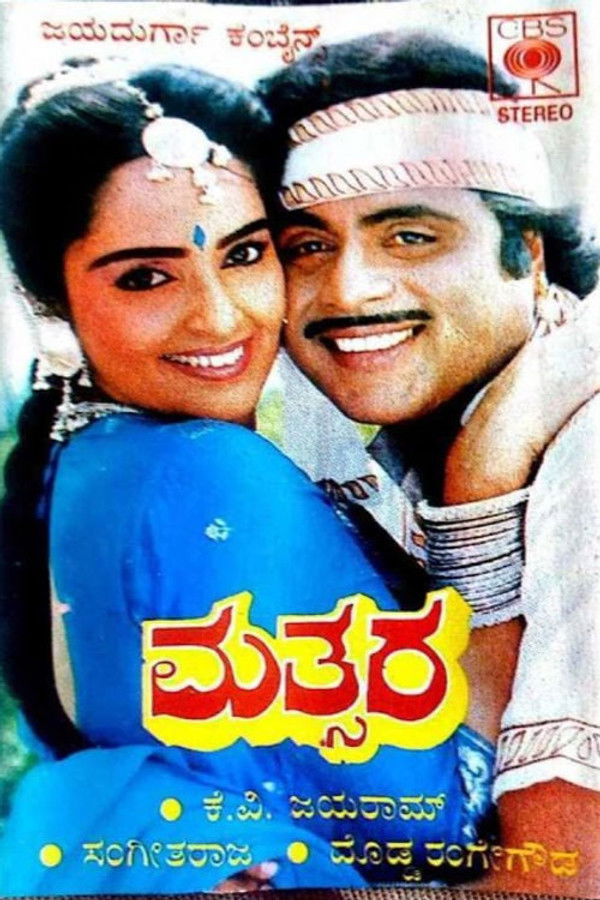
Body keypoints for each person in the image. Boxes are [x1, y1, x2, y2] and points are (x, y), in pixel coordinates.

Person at [0, 60, 498, 895]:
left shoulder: (84, 466)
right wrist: (493, 476)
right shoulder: (207, 474)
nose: (221, 316)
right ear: (51, 298)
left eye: (245, 253)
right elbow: (430, 826)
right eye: (145, 277)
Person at [260, 31, 600, 896]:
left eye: (410, 236)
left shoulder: (587, 458)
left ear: (529, 255)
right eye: (306, 247)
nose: (349, 292)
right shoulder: (416, 441)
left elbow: (557, 885)